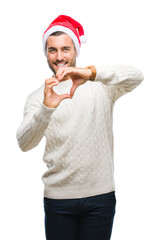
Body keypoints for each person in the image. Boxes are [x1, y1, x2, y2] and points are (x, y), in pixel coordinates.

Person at [16, 15, 144, 240]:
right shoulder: (38, 97)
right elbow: (24, 144)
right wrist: (46, 108)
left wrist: (92, 73)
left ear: (75, 49)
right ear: (46, 53)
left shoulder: (101, 87)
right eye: (52, 50)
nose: (59, 56)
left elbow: (136, 77)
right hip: (58, 200)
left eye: (65, 49)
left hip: (100, 198)